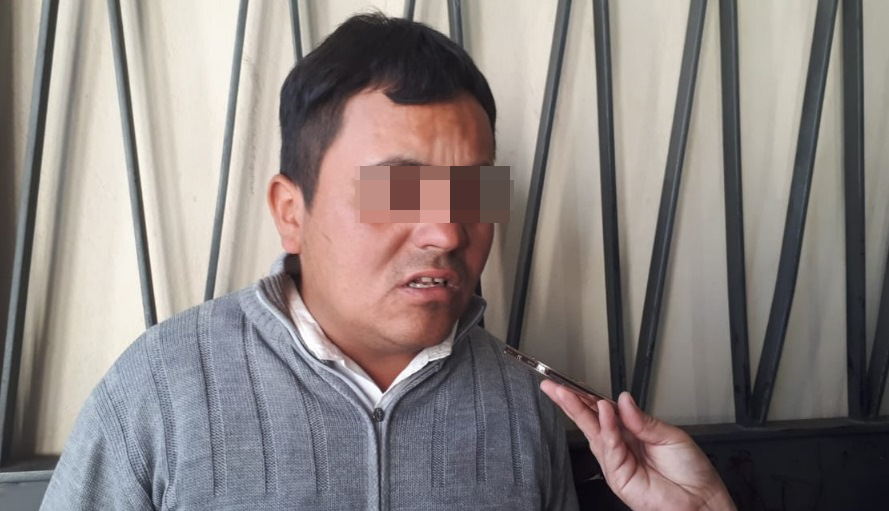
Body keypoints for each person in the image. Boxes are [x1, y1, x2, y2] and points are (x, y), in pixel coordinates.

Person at [41, 13, 733, 511]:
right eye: (399, 189)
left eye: (473, 191)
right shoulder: (159, 390)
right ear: (291, 211)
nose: (446, 230)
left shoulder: (525, 405)